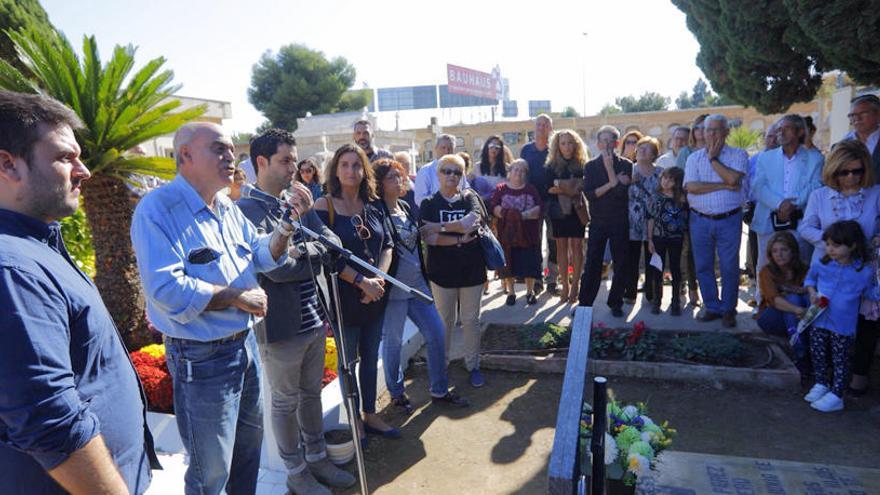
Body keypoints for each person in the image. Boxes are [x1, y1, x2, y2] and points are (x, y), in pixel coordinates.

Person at [0, 91, 158, 494]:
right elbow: (47, 418)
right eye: (64, 157)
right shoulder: (12, 269)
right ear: (7, 164)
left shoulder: (34, 246)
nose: (83, 170)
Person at [131, 122, 292, 494]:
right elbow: (166, 288)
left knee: (248, 454)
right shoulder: (157, 210)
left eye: (231, 149)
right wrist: (237, 296)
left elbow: (259, 254)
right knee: (210, 472)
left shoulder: (227, 207)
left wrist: (284, 231)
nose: (230, 156)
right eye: (219, 148)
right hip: (201, 358)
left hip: (244, 346)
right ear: (185, 155)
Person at [236, 129, 355, 494]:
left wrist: (304, 252)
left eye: (293, 159)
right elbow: (274, 268)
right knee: (285, 403)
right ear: (261, 163)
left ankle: (317, 459)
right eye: (285, 160)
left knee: (311, 396)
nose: (294, 168)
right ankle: (296, 471)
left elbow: (332, 243)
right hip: (279, 327)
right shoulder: (246, 211)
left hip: (313, 318)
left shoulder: (295, 201)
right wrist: (311, 257)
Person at [313, 144, 397, 439]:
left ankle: (370, 415)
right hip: (345, 299)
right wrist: (362, 282)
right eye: (345, 165)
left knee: (371, 357)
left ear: (364, 171)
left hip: (375, 296)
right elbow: (326, 257)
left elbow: (387, 244)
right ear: (336, 170)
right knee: (349, 363)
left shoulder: (373, 204)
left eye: (357, 165)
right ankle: (355, 421)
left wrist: (379, 280)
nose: (351, 171)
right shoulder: (324, 206)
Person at [373, 159, 469, 413]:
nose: (399, 180)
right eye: (392, 177)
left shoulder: (405, 206)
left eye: (400, 175)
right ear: (380, 184)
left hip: (418, 286)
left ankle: (439, 389)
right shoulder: (375, 212)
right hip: (393, 290)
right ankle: (396, 394)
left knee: (437, 333)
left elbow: (420, 240)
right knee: (392, 342)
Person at [799, 140, 880, 397]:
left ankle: (858, 374)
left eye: (857, 171)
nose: (851, 177)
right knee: (824, 325)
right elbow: (805, 227)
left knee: (864, 324)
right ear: (834, 171)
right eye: (845, 172)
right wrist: (835, 242)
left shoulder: (876, 194)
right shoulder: (820, 196)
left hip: (862, 271)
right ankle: (824, 379)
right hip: (828, 269)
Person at [418, 154, 488, 388]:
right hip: (441, 274)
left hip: (472, 271)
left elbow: (472, 223)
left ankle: (473, 366)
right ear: (437, 175)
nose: (451, 176)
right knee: (444, 322)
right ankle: (442, 366)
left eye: (457, 172)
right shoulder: (428, 203)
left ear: (463, 176)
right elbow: (429, 238)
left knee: (471, 321)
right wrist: (459, 240)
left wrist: (441, 227)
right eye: (446, 171)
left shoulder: (470, 198)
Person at [803, 220, 880, 412]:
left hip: (843, 326)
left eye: (836, 245)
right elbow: (810, 279)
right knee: (818, 353)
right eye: (828, 244)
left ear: (853, 245)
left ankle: (837, 394)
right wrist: (812, 293)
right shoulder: (822, 264)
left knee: (841, 359)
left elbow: (870, 293)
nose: (830, 249)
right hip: (818, 319)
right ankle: (821, 383)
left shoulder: (863, 271)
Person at [684, 114, 749, 328]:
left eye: (716, 129)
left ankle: (728, 309)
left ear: (726, 132)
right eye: (708, 129)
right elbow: (691, 187)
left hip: (729, 219)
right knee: (703, 265)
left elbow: (733, 179)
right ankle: (712, 306)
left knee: (730, 266)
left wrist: (713, 159)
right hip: (699, 220)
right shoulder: (694, 158)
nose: (711, 134)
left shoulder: (738, 155)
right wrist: (721, 185)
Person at [752, 115, 824, 305]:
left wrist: (793, 204)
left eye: (786, 128)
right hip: (769, 221)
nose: (780, 132)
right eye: (778, 129)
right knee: (765, 265)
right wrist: (779, 204)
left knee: (800, 264)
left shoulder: (815, 158)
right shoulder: (765, 158)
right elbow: (758, 187)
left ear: (800, 132)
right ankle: (763, 304)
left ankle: (800, 306)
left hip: (800, 221)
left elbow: (815, 186)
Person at [579, 125, 632, 317]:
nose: (607, 144)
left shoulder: (626, 165)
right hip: (598, 221)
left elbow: (621, 194)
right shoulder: (590, 166)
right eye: (604, 141)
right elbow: (590, 194)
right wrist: (613, 181)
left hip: (619, 220)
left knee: (621, 263)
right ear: (598, 143)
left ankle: (615, 302)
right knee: (592, 263)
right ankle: (584, 304)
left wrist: (610, 170)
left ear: (617, 143)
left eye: (611, 141)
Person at [754, 231, 810, 378]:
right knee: (793, 300)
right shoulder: (766, 271)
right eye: (775, 251)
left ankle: (801, 353)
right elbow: (774, 299)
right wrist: (798, 309)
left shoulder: (804, 269)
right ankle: (800, 352)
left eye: (784, 250)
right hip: (772, 317)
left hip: (801, 317)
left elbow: (810, 292)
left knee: (794, 299)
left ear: (793, 251)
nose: (779, 255)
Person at [545, 130, 589, 304]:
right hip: (558, 211)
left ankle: (576, 286)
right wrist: (571, 186)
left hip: (577, 210)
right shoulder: (551, 166)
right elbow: (548, 189)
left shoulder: (582, 164)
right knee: (561, 248)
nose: (567, 146)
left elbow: (582, 187)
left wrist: (560, 185)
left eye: (570, 142)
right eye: (563, 143)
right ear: (557, 145)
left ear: (576, 144)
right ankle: (565, 286)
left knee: (577, 247)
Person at [491, 159, 543, 305]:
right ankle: (511, 293)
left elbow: (539, 208)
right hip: (507, 235)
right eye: (516, 170)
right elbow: (494, 207)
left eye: (522, 171)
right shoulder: (501, 189)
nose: (519, 173)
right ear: (510, 172)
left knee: (529, 263)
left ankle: (530, 292)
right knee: (509, 263)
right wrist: (508, 214)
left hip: (528, 234)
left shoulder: (531, 189)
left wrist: (521, 216)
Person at [624, 136, 664, 306]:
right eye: (639, 147)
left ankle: (651, 293)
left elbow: (666, 195)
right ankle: (630, 293)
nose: (640, 150)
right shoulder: (628, 170)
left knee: (652, 259)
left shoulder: (661, 172)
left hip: (654, 224)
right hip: (631, 222)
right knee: (631, 260)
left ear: (654, 154)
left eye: (646, 148)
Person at [521, 113, 557, 295]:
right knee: (534, 242)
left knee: (553, 242)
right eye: (538, 124)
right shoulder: (526, 150)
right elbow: (521, 174)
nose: (541, 127)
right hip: (532, 202)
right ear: (534, 127)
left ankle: (552, 280)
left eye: (545, 125)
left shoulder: (555, 149)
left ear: (550, 128)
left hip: (553, 201)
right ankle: (536, 281)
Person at [646, 167, 689, 316]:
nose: (666, 181)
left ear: (677, 182)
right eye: (664, 177)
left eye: (671, 179)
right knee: (658, 269)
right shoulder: (655, 197)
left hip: (676, 239)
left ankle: (675, 301)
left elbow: (686, 219)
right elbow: (650, 218)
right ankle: (657, 301)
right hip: (659, 238)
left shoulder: (682, 199)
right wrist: (650, 239)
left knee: (676, 269)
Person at [414, 134, 468, 205]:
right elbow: (419, 199)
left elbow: (466, 189)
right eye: (443, 148)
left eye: (450, 148)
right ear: (436, 148)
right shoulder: (425, 171)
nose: (446, 151)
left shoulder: (458, 170)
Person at [841, 94, 880, 176]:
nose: (857, 119)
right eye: (852, 115)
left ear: (878, 114)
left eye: (863, 113)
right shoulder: (842, 144)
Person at [472, 135, 511, 201]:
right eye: (491, 146)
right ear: (486, 147)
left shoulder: (507, 168)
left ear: (501, 150)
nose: (494, 149)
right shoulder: (477, 166)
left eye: (497, 147)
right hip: (482, 204)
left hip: (500, 204)